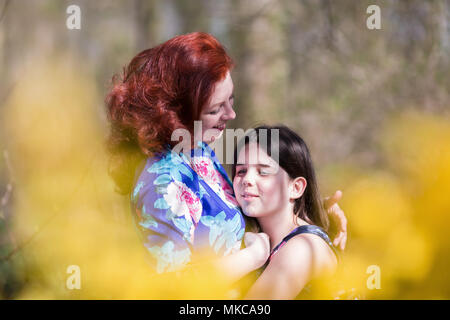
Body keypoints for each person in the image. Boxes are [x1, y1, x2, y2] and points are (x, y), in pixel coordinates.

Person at [105, 32, 347, 283]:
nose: (231, 114)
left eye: (230, 100)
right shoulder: (163, 183)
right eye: (215, 109)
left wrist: (305, 209)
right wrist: (252, 257)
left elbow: (242, 205)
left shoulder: (197, 151)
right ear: (176, 113)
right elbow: (169, 288)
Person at [232, 125, 338, 299]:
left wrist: (250, 257)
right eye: (241, 171)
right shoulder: (256, 237)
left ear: (295, 187)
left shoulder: (303, 248)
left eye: (263, 172)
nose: (247, 180)